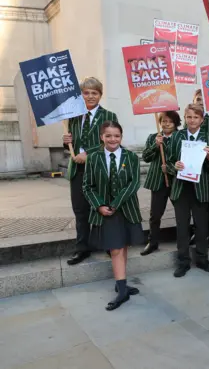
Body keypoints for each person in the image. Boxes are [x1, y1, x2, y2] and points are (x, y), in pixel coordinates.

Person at [83, 120, 143, 311]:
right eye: (108, 135)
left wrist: (116, 203)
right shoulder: (93, 158)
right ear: (102, 137)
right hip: (106, 212)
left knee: (123, 246)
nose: (112, 139)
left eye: (116, 135)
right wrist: (99, 205)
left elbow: (134, 183)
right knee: (115, 249)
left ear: (121, 137)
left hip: (125, 209)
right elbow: (87, 186)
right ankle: (122, 290)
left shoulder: (131, 157)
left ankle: (121, 282)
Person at [63, 77, 118, 266]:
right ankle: (82, 248)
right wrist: (66, 141)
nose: (90, 96)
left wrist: (89, 154)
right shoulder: (74, 116)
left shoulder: (109, 116)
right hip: (78, 170)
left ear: (100, 95)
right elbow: (72, 145)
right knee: (81, 211)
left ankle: (110, 245)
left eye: (94, 93)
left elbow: (112, 142)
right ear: (81, 95)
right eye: (86, 92)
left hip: (100, 170)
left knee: (104, 208)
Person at [165, 104, 209, 277]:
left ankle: (202, 259)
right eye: (189, 117)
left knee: (202, 227)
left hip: (201, 189)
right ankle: (183, 261)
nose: (192, 120)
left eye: (196, 117)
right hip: (181, 189)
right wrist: (175, 166)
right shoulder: (177, 136)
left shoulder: (208, 137)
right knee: (182, 227)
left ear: (202, 119)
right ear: (185, 118)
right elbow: (168, 163)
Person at [140, 111, 180, 256]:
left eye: (170, 121)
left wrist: (169, 167)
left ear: (176, 123)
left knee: (181, 212)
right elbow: (146, 157)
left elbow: (180, 158)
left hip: (176, 181)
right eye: (163, 121)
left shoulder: (180, 137)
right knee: (155, 214)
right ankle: (153, 241)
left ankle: (184, 238)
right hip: (158, 181)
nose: (166, 124)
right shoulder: (153, 137)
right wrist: (156, 146)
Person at [193, 89, 209, 247]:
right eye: (198, 99)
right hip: (192, 169)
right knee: (196, 204)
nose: (201, 102)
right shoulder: (189, 120)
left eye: (204, 100)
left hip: (207, 169)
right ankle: (198, 233)